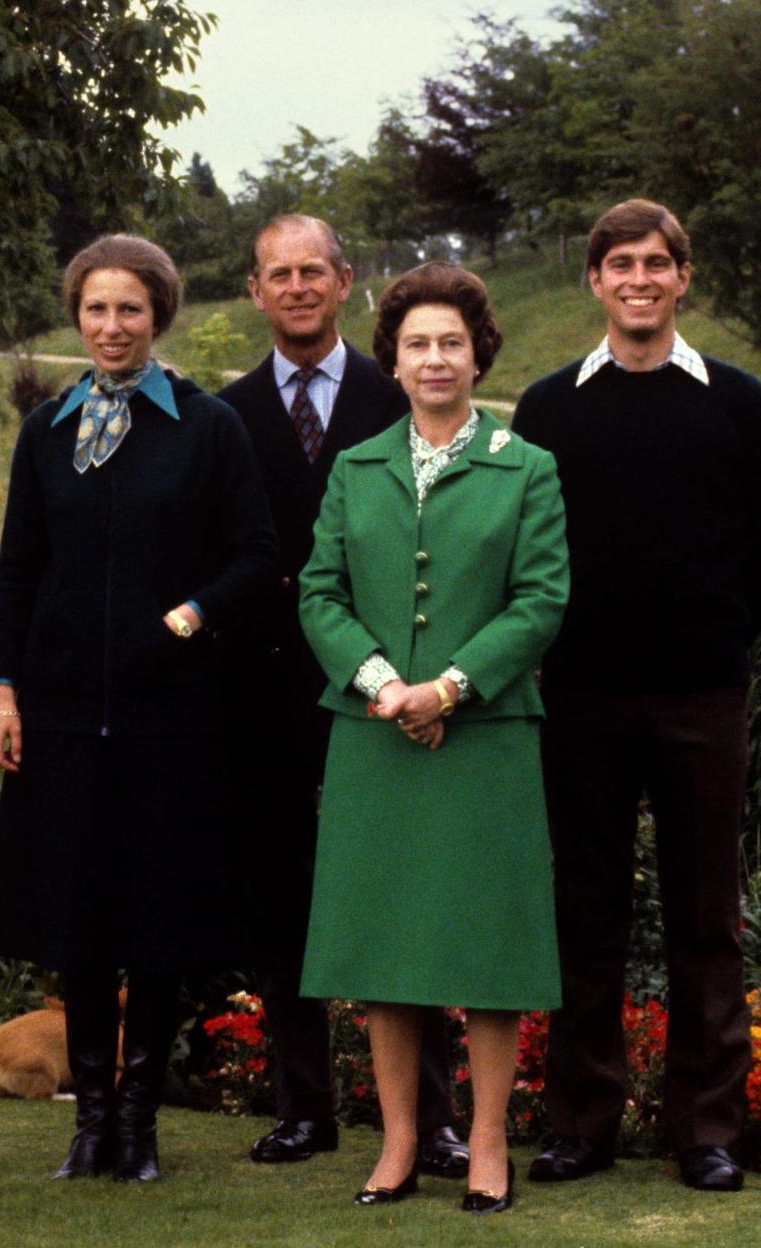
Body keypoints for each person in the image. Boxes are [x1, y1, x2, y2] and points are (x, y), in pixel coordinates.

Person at [0, 234, 278, 1183]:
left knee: (154, 922)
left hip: (170, 718)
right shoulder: (46, 430)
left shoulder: (206, 424)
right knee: (80, 920)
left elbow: (259, 557)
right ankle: (89, 1119)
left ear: (159, 317)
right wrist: (5, 689)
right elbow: (18, 571)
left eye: (130, 310)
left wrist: (186, 618)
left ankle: (138, 1121)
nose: (111, 327)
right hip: (60, 717)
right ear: (77, 316)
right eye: (96, 310)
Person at [299, 261, 568, 1213]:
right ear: (396, 359)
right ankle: (401, 1143)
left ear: (477, 350)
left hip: (485, 736)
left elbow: (542, 600)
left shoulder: (525, 467)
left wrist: (447, 689)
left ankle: (488, 1142)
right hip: (374, 737)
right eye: (417, 342)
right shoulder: (356, 464)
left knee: (488, 949)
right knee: (384, 947)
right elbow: (318, 592)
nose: (436, 357)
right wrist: (384, 687)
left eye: (451, 341)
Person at [513, 199, 761, 1193]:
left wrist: (732, 635)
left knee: (709, 917)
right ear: (595, 280)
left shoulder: (742, 404)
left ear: (683, 277)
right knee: (585, 912)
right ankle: (582, 1122)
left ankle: (708, 1130)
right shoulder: (549, 408)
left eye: (657, 263)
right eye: (621, 264)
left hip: (704, 694)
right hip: (581, 697)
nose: (639, 280)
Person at [218, 214, 469, 1178]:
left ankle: (436, 1119)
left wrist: (420, 682)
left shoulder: (396, 392)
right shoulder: (228, 412)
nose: (295, 287)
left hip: (392, 689)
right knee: (284, 901)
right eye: (277, 274)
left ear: (343, 281)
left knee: (410, 894)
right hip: (268, 690)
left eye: (311, 271)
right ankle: (303, 1107)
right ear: (254, 290)